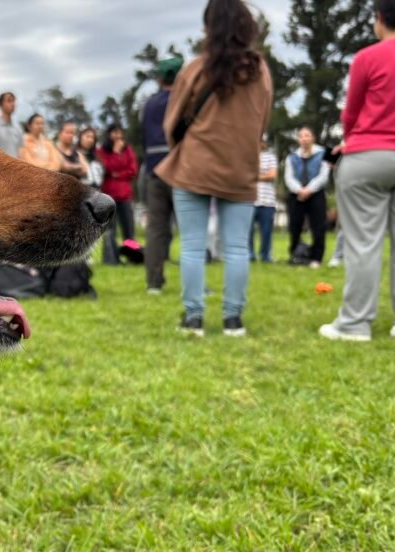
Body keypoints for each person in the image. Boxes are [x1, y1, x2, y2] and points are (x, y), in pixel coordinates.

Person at [319, 0, 395, 342]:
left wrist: (352, 138)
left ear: (380, 18)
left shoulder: (367, 57)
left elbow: (351, 113)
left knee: (363, 244)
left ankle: (354, 324)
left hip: (368, 156)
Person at [155, 0, 273, 337]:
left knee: (192, 246)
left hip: (194, 165)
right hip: (240, 168)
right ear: (246, 26)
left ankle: (194, 318)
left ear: (209, 28)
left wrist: (182, 149)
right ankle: (233, 320)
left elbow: (172, 121)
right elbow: (263, 120)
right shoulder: (259, 71)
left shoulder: (195, 69)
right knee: (237, 248)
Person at [142, 56, 183, 292]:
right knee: (189, 228)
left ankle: (153, 283)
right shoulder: (183, 100)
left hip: (154, 171)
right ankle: (194, 283)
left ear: (159, 78)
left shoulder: (149, 104)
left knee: (156, 229)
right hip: (179, 169)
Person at [284, 127, 331, 268]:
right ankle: (295, 255)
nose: (304, 139)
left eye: (307, 135)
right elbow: (288, 177)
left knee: (318, 226)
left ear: (313, 138)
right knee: (294, 226)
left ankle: (316, 258)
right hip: (296, 194)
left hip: (316, 193)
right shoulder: (291, 156)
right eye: (301, 136)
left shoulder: (324, 153)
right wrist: (299, 190)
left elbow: (324, 175)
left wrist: (309, 189)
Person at [97, 124, 138, 265]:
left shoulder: (128, 149)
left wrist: (117, 174)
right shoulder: (102, 151)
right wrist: (115, 153)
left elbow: (133, 170)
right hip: (109, 196)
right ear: (109, 134)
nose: (118, 136)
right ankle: (112, 259)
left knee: (129, 229)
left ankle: (132, 257)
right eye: (115, 133)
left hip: (125, 195)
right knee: (110, 230)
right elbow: (107, 168)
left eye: (120, 133)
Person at [250, 139, 279, 263]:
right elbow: (243, 175)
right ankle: (250, 254)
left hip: (267, 201)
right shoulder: (246, 157)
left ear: (264, 144)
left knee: (266, 231)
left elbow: (272, 175)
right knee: (249, 231)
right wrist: (263, 175)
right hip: (249, 200)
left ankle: (265, 255)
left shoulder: (270, 157)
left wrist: (255, 176)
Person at [0, 92, 24, 159]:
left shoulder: (18, 127)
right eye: (9, 101)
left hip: (17, 164)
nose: (13, 104)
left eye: (13, 101)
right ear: (1, 104)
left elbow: (21, 151)